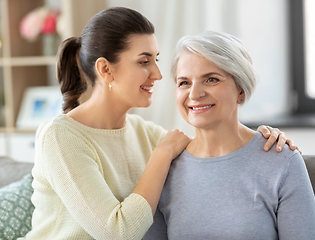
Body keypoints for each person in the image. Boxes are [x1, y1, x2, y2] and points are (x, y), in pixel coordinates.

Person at [24, 7, 299, 240]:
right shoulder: (60, 137)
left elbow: (214, 149)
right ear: (105, 69)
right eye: (144, 61)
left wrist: (263, 136)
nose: (157, 74)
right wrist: (163, 154)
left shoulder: (147, 133)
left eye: (156, 60)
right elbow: (118, 232)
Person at [144, 31, 315, 240]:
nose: (194, 94)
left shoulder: (282, 161)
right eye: (184, 82)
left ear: (241, 90)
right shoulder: (164, 168)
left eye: (211, 79)